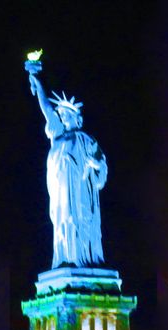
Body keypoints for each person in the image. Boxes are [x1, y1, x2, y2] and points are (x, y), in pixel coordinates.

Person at [27, 62, 107, 268]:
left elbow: (101, 165)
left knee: (78, 220)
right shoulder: (58, 135)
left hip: (80, 191)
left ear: (76, 118)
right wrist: (37, 80)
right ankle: (65, 258)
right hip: (61, 190)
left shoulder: (85, 139)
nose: (62, 117)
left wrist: (96, 163)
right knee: (63, 222)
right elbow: (47, 110)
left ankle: (83, 260)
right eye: (61, 115)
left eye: (66, 115)